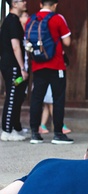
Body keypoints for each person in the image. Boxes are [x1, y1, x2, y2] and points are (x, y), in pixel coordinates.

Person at [27, 0, 73, 144]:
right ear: (55, 5)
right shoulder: (57, 18)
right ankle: (58, 134)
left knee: (36, 99)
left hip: (37, 65)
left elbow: (27, 42)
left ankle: (35, 133)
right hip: (56, 65)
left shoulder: (31, 20)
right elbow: (67, 42)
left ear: (40, 4)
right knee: (58, 98)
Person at [0, 0, 29, 142]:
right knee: (11, 97)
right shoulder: (11, 21)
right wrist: (22, 67)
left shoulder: (14, 20)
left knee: (17, 96)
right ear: (13, 4)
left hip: (14, 66)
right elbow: (15, 46)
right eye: (21, 1)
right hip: (12, 65)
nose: (25, 2)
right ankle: (6, 131)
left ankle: (15, 128)